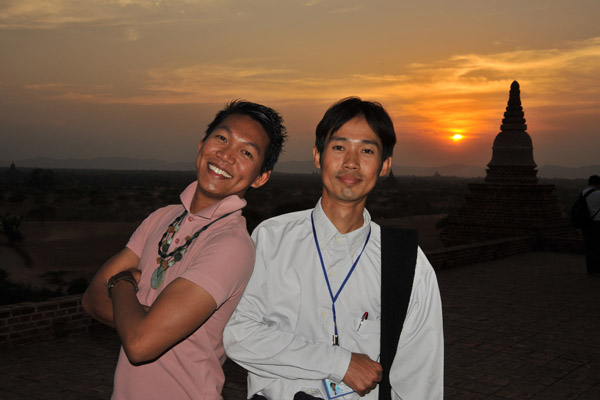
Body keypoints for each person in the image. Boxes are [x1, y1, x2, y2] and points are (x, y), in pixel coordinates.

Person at [224, 97, 443, 400]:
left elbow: (419, 377)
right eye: (339, 147)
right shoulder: (272, 240)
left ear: (385, 165)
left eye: (367, 150)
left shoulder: (406, 263)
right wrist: (340, 363)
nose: (351, 162)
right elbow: (237, 335)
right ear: (318, 156)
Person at [82, 100, 287, 399]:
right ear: (202, 144)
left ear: (260, 177)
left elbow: (140, 344)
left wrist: (122, 282)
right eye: (222, 138)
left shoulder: (230, 245)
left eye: (246, 152)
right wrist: (144, 320)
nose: (226, 155)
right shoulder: (162, 218)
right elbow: (91, 299)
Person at [581, 175, 600, 275]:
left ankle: (591, 269)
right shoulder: (598, 193)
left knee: (589, 247)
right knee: (597, 246)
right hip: (597, 223)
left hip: (586, 223)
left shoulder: (583, 193)